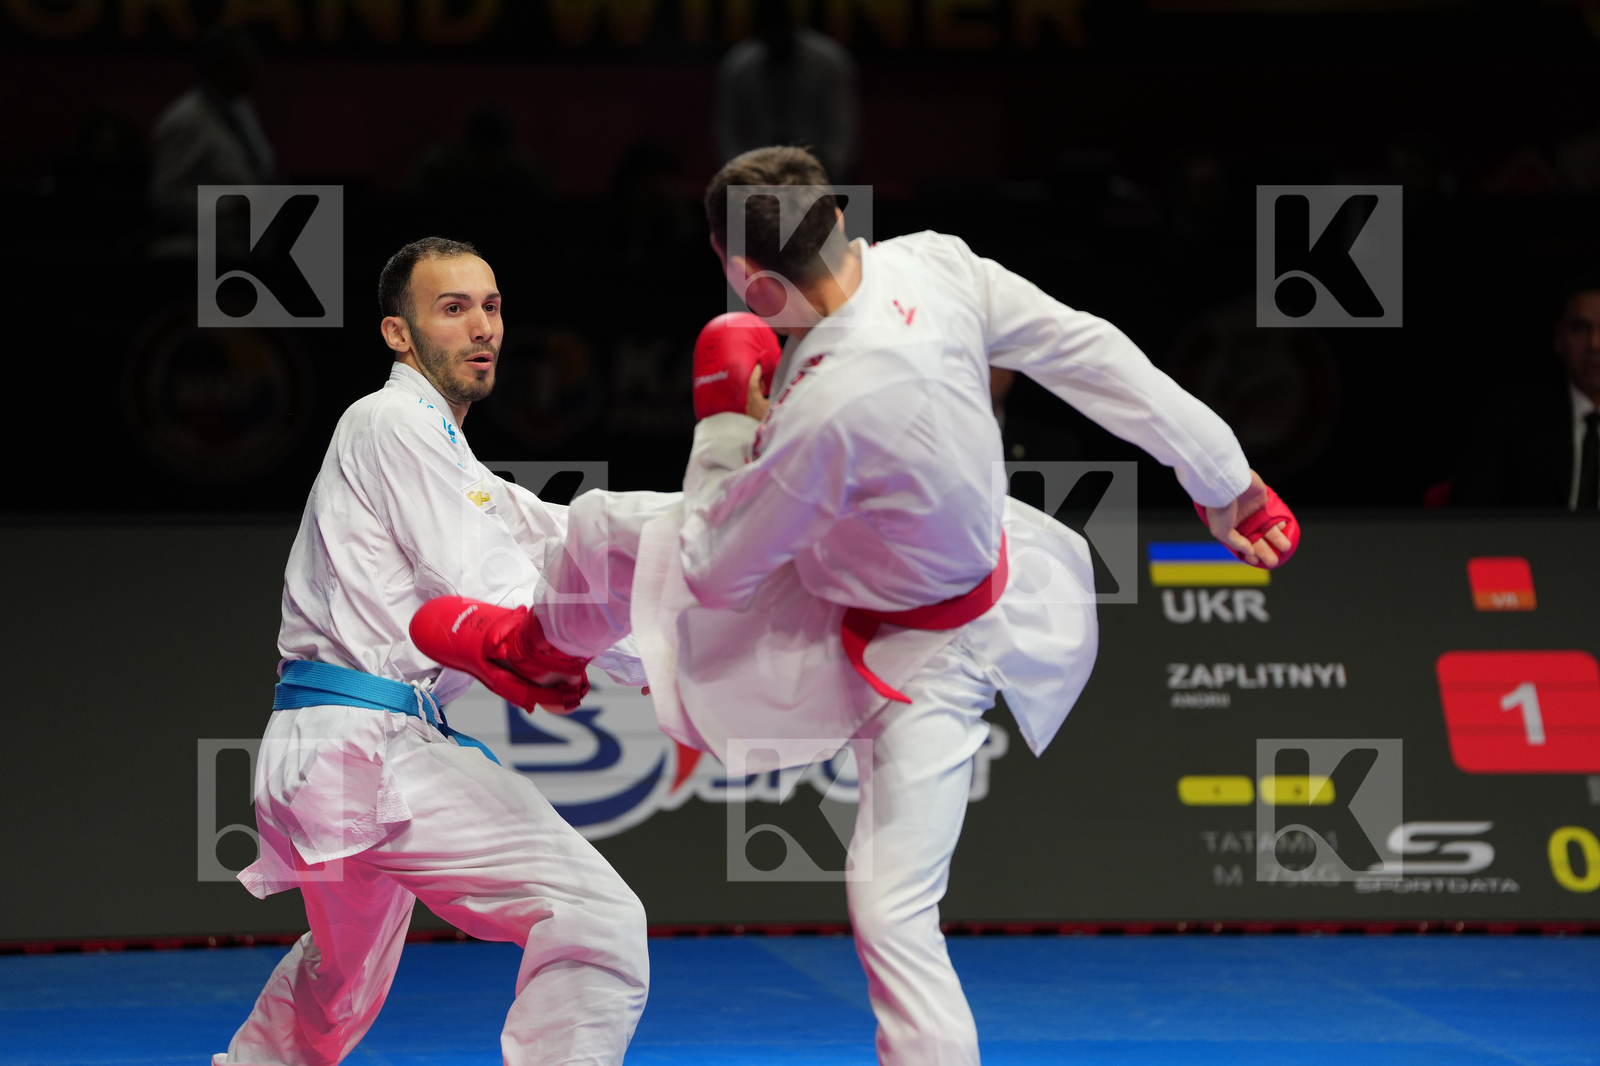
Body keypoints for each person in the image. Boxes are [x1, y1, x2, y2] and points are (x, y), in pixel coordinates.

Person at [415, 147, 1295, 1066]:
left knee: (610, 531)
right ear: (836, 213)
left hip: (899, 644)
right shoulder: (936, 264)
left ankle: (551, 649)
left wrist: (724, 417)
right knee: (893, 912)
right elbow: (1088, 348)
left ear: (747, 280)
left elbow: (717, 567)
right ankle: (541, 651)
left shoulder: (834, 404)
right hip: (947, 586)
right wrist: (1225, 477)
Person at [215, 238, 650, 1066]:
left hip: (326, 756)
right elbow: (494, 583)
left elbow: (566, 536)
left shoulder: (452, 458)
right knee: (596, 915)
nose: (481, 326)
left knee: (339, 984)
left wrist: (699, 566)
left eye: (490, 307)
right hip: (367, 744)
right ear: (398, 334)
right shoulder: (389, 421)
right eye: (453, 309)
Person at [1451, 272, 1600, 509]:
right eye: (1579, 328)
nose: (1594, 343)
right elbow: (1471, 515)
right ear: (1558, 337)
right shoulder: (1511, 416)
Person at [148, 27, 275, 256]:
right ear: (221, 68)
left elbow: (259, 167)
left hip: (253, 236)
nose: (254, 72)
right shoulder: (185, 120)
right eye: (245, 64)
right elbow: (165, 196)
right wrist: (231, 204)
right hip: (209, 243)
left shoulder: (241, 107)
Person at [716, 0, 858, 180]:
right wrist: (740, 173)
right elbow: (729, 130)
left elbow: (842, 127)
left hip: (822, 168)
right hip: (759, 171)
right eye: (769, 32)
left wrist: (830, 171)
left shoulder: (828, 62)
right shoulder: (740, 67)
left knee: (855, 201)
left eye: (779, 30)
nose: (775, 38)